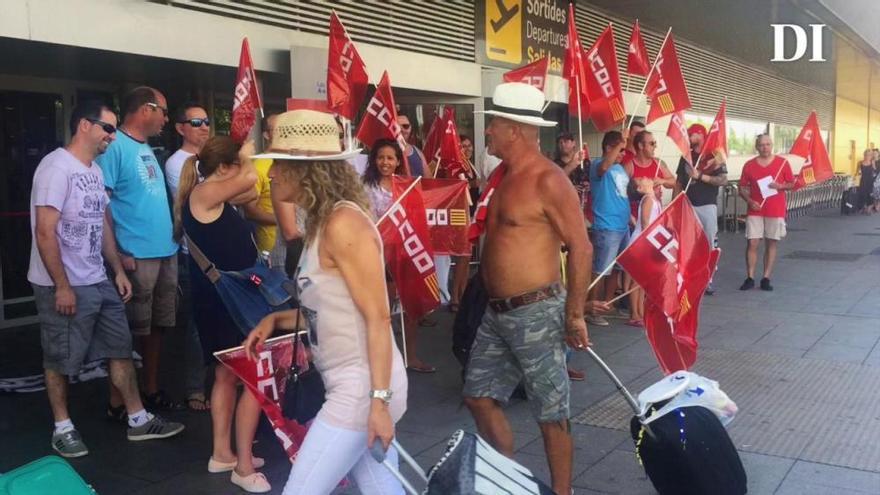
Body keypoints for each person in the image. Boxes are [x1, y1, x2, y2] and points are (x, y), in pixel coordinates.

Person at [243, 108, 408, 495]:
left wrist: (379, 403)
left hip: (363, 386)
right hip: (355, 385)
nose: (270, 175)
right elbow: (335, 306)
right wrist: (277, 321)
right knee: (382, 488)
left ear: (305, 169)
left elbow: (379, 318)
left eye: (278, 165)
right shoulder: (325, 222)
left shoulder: (343, 224)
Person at [29, 101, 184, 458]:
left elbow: (101, 224)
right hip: (63, 282)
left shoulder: (94, 171)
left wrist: (115, 269)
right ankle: (63, 427)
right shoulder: (55, 167)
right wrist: (63, 286)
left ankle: (137, 418)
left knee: (120, 347)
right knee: (59, 358)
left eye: (114, 130)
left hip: (97, 277)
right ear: (85, 125)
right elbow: (45, 233)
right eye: (108, 129)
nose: (112, 137)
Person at [464, 82, 591, 495]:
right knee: (478, 395)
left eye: (494, 125)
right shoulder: (502, 177)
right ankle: (510, 480)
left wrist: (575, 313)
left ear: (513, 129)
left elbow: (581, 246)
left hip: (536, 312)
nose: (489, 132)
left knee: (551, 412)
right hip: (496, 312)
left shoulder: (548, 180)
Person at [173, 136, 269, 493]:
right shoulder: (203, 194)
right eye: (237, 163)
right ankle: (242, 466)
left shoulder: (214, 193)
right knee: (250, 377)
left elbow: (249, 193)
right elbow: (247, 181)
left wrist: (242, 167)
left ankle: (222, 452)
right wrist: (247, 157)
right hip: (225, 302)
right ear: (225, 166)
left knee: (226, 377)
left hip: (223, 299)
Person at [96, 86, 182, 414]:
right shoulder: (114, 147)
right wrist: (117, 251)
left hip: (164, 251)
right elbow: (101, 204)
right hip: (135, 255)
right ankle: (118, 400)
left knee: (157, 325)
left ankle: (150, 388)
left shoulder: (146, 146)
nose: (166, 118)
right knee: (127, 330)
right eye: (163, 110)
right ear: (145, 110)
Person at [362, 138, 435, 373]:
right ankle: (382, 361)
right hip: (377, 256)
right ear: (374, 160)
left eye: (390, 158)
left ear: (398, 162)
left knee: (409, 308)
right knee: (381, 311)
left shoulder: (406, 186)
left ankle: (411, 356)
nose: (385, 162)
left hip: (405, 253)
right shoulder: (364, 186)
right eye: (381, 157)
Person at [164, 101, 211, 411]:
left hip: (221, 251)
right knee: (197, 323)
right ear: (180, 128)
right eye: (196, 122)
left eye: (206, 121)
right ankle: (195, 387)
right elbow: (202, 199)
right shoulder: (176, 162)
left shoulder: (209, 160)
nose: (204, 126)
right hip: (194, 254)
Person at [673, 124, 728, 295]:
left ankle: (708, 279)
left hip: (707, 204)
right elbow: (679, 182)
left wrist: (700, 176)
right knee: (687, 243)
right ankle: (688, 278)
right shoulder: (686, 156)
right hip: (688, 204)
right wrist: (676, 203)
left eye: (691, 134)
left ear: (700, 134)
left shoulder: (715, 155)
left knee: (709, 242)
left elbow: (723, 180)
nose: (688, 136)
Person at [738, 134, 795, 291]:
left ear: (772, 145)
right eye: (762, 145)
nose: (765, 147)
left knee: (771, 242)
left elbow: (792, 183)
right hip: (755, 209)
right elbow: (741, 187)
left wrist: (780, 186)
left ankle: (766, 277)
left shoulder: (782, 163)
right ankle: (750, 277)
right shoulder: (749, 165)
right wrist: (749, 201)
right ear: (757, 146)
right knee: (753, 242)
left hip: (775, 209)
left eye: (768, 144)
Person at [587, 131, 630, 327]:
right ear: (608, 148)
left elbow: (622, 196)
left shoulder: (620, 169)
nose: (622, 153)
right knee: (601, 269)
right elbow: (604, 166)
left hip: (622, 225)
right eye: (620, 150)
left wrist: (632, 219)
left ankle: (607, 304)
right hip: (607, 226)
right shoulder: (598, 164)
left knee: (617, 268)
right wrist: (620, 142)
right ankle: (593, 310)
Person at [625, 177, 662, 326]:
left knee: (642, 280)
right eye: (642, 179)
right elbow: (645, 222)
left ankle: (640, 311)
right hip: (641, 242)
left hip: (646, 241)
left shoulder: (654, 199)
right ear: (640, 189)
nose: (647, 177)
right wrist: (649, 243)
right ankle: (634, 313)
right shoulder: (647, 200)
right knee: (636, 280)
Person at [244, 113, 281, 253]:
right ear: (266, 135)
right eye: (277, 129)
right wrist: (284, 220)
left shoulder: (294, 163)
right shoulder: (258, 167)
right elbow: (250, 212)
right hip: (271, 248)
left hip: (297, 246)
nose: (283, 133)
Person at [857, 149, 876, 214]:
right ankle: (863, 207)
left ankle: (869, 209)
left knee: (870, 195)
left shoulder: (872, 162)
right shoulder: (860, 162)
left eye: (870, 155)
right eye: (867, 155)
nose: (868, 156)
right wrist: (857, 175)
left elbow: (874, 171)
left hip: (870, 181)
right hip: (863, 181)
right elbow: (857, 172)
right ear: (864, 155)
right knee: (862, 194)